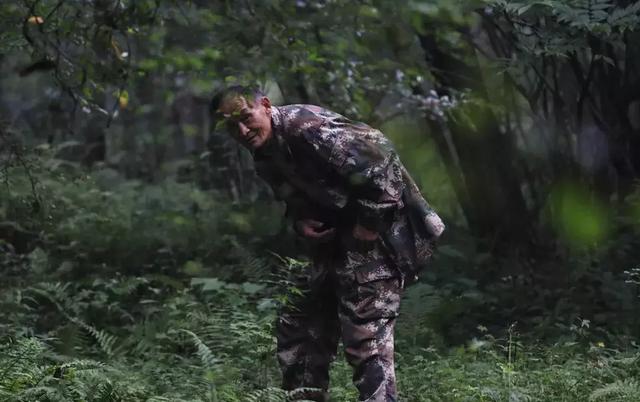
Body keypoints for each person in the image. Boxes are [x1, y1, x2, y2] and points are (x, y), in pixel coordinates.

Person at [211, 85, 444, 402]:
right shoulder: (264, 149)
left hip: (377, 240)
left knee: (367, 340)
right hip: (330, 245)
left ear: (264, 105)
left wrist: (368, 226)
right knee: (299, 330)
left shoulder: (307, 126)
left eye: (245, 117)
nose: (241, 130)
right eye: (231, 125)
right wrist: (300, 221)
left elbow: (381, 159)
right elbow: (295, 196)